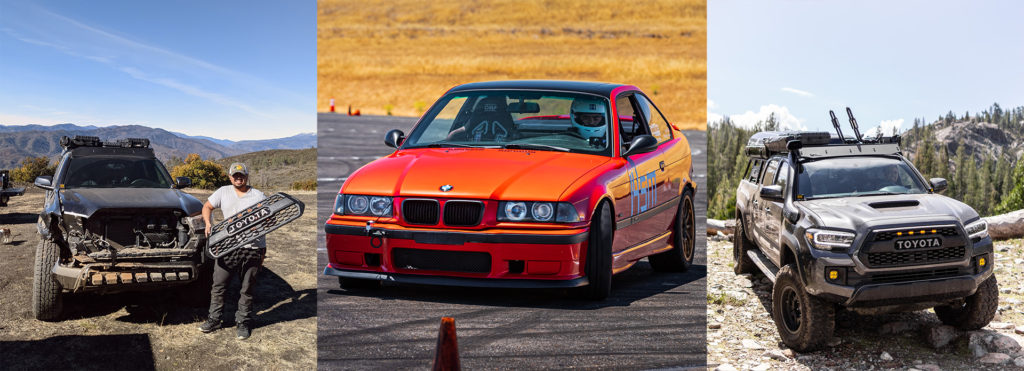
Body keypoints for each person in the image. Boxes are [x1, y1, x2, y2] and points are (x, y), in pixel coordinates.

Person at [197, 162, 267, 340]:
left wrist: (257, 229)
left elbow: (269, 219)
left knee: (247, 288)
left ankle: (243, 322)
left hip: (253, 247)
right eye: (235, 175)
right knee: (219, 285)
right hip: (227, 246)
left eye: (241, 175)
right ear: (230, 177)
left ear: (246, 176)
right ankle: (214, 319)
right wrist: (208, 223)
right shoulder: (223, 192)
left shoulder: (258, 195)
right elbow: (207, 207)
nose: (238, 178)